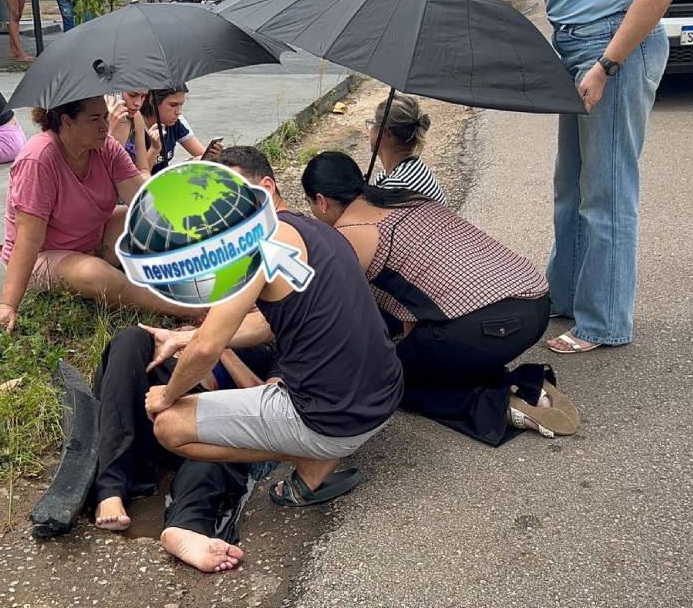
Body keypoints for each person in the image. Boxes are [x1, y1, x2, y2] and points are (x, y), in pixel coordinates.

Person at [142, 147, 404, 507]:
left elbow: (207, 350)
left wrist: (167, 394)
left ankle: (308, 455)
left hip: (333, 420)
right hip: (385, 395)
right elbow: (272, 322)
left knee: (168, 426)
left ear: (265, 188)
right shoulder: (312, 228)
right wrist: (185, 336)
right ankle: (315, 454)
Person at [435, 0, 675, 354]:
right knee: (570, 186)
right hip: (572, 44)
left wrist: (605, 67)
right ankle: (565, 298)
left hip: (616, 46)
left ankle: (603, 322)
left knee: (606, 189)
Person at [301, 151, 580, 441]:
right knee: (425, 360)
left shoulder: (350, 234)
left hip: (492, 325)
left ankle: (503, 404)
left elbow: (331, 309)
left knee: (384, 384)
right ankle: (532, 388)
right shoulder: (404, 196)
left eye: (310, 204)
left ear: (321, 201)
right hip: (535, 304)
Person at [0, 96, 199, 335]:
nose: (104, 126)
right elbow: (29, 239)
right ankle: (187, 308)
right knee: (95, 275)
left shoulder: (106, 147)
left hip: (92, 237)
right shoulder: (38, 159)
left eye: (104, 117)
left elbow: (145, 204)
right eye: (94, 119)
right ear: (67, 121)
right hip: (46, 255)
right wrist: (7, 305)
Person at [90, 326, 279, 572]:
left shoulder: (272, 351)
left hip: (208, 419)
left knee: (220, 452)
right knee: (131, 337)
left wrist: (220, 346)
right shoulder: (198, 326)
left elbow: (270, 407)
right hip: (148, 404)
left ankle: (187, 529)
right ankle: (109, 491)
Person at [366, 94, 447, 206]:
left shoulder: (396, 189)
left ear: (386, 133)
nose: (369, 130)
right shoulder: (413, 168)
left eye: (371, 124)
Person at [139, 86, 224, 174]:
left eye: (181, 104)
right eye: (173, 105)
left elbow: (200, 154)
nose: (179, 112)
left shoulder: (176, 121)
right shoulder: (135, 125)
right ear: (153, 101)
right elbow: (138, 176)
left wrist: (214, 156)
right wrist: (154, 149)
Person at [105, 90, 154, 174]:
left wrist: (145, 177)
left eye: (143, 96)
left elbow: (144, 168)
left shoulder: (136, 118)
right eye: (132, 95)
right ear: (116, 92)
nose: (138, 103)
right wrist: (110, 131)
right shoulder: (96, 118)